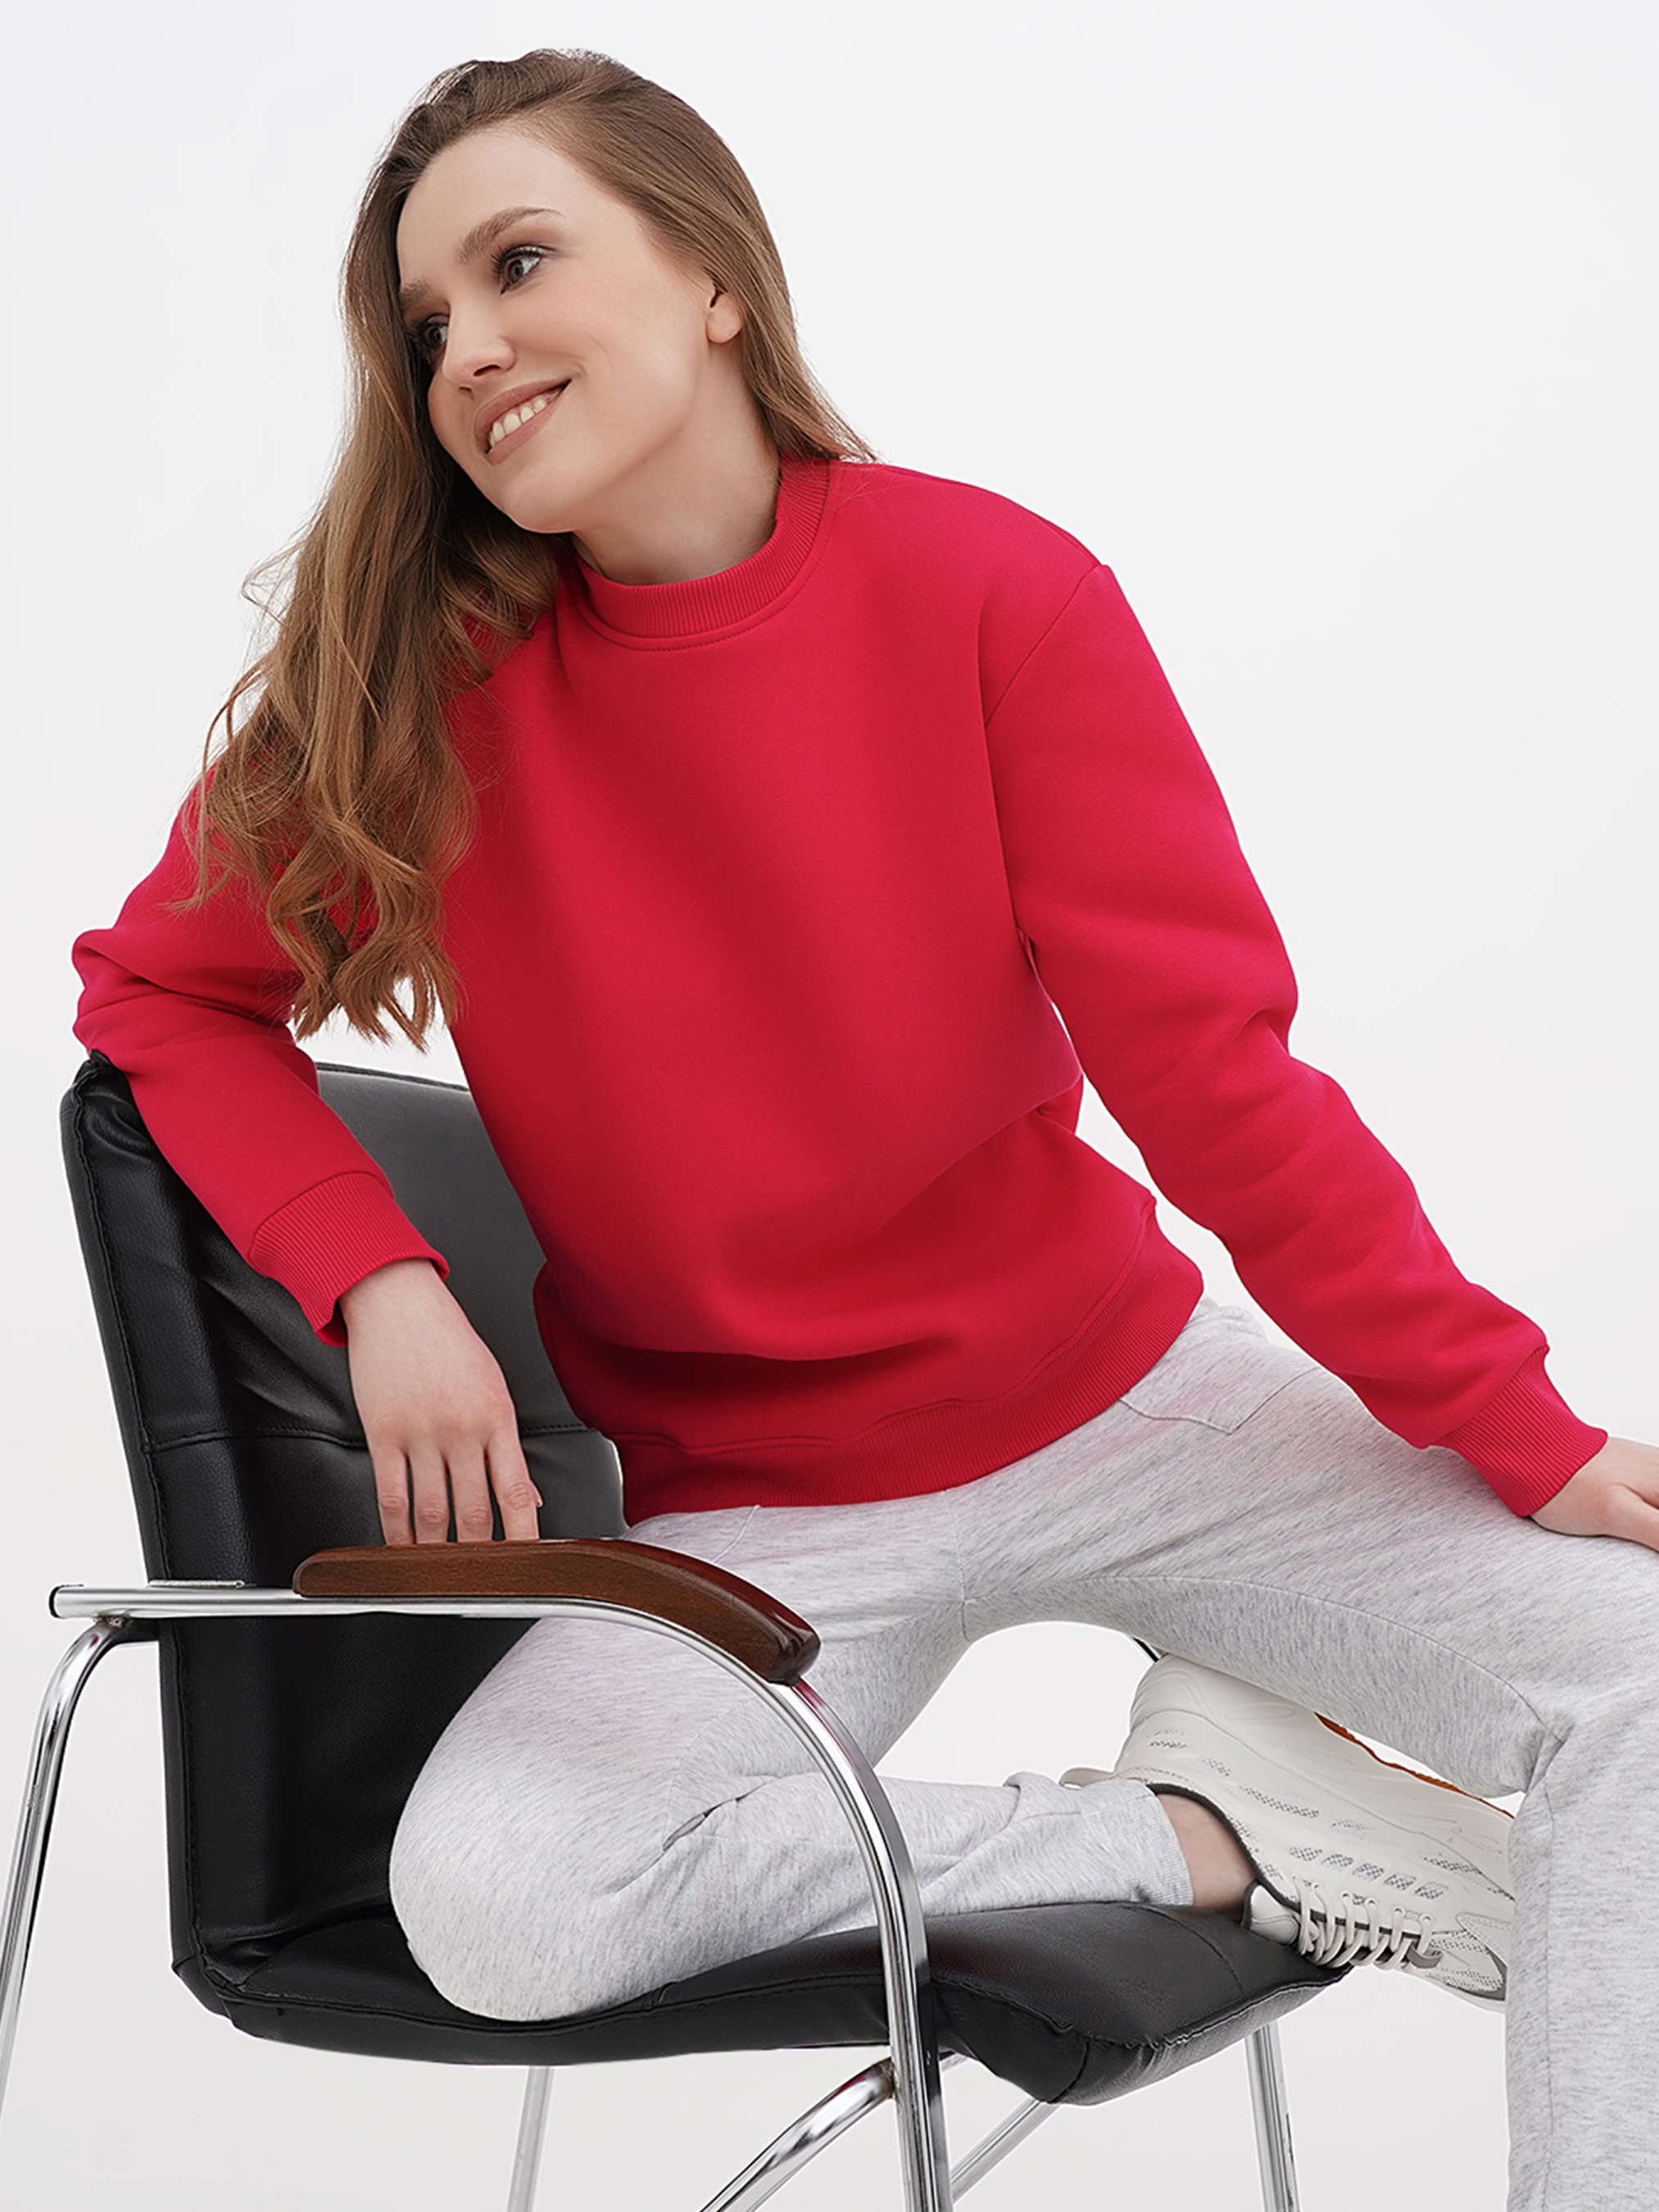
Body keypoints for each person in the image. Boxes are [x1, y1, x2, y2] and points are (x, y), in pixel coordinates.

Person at [67, 49, 1659, 2210]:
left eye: (519, 263)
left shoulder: (990, 591)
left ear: (712, 273)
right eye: (425, 328)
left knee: (1644, 1681)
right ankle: (1217, 1826)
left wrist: (1512, 1424)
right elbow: (163, 988)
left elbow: (1217, 1081)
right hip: (759, 1502)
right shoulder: (417, 697)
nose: (468, 355)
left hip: (1117, 1395)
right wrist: (382, 1279)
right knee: (506, 1897)